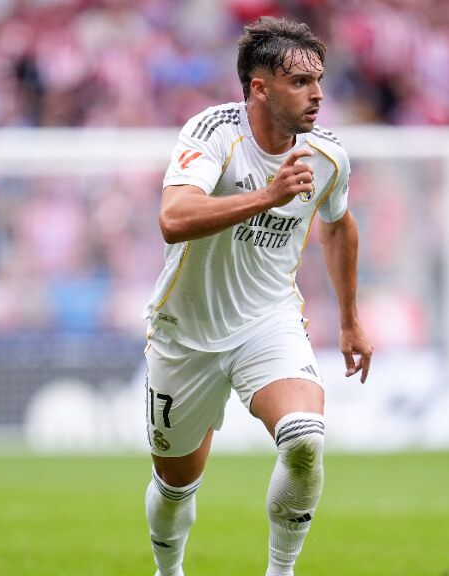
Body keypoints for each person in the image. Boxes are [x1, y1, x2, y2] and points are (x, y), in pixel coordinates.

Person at [141, 16, 373, 576]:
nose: (317, 93)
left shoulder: (328, 156)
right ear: (260, 87)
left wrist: (349, 320)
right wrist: (267, 196)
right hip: (185, 332)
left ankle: (281, 571)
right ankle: (168, 571)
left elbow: (338, 225)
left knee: (303, 438)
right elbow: (173, 218)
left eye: (319, 80)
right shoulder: (214, 132)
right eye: (299, 82)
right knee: (176, 486)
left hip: (267, 324)